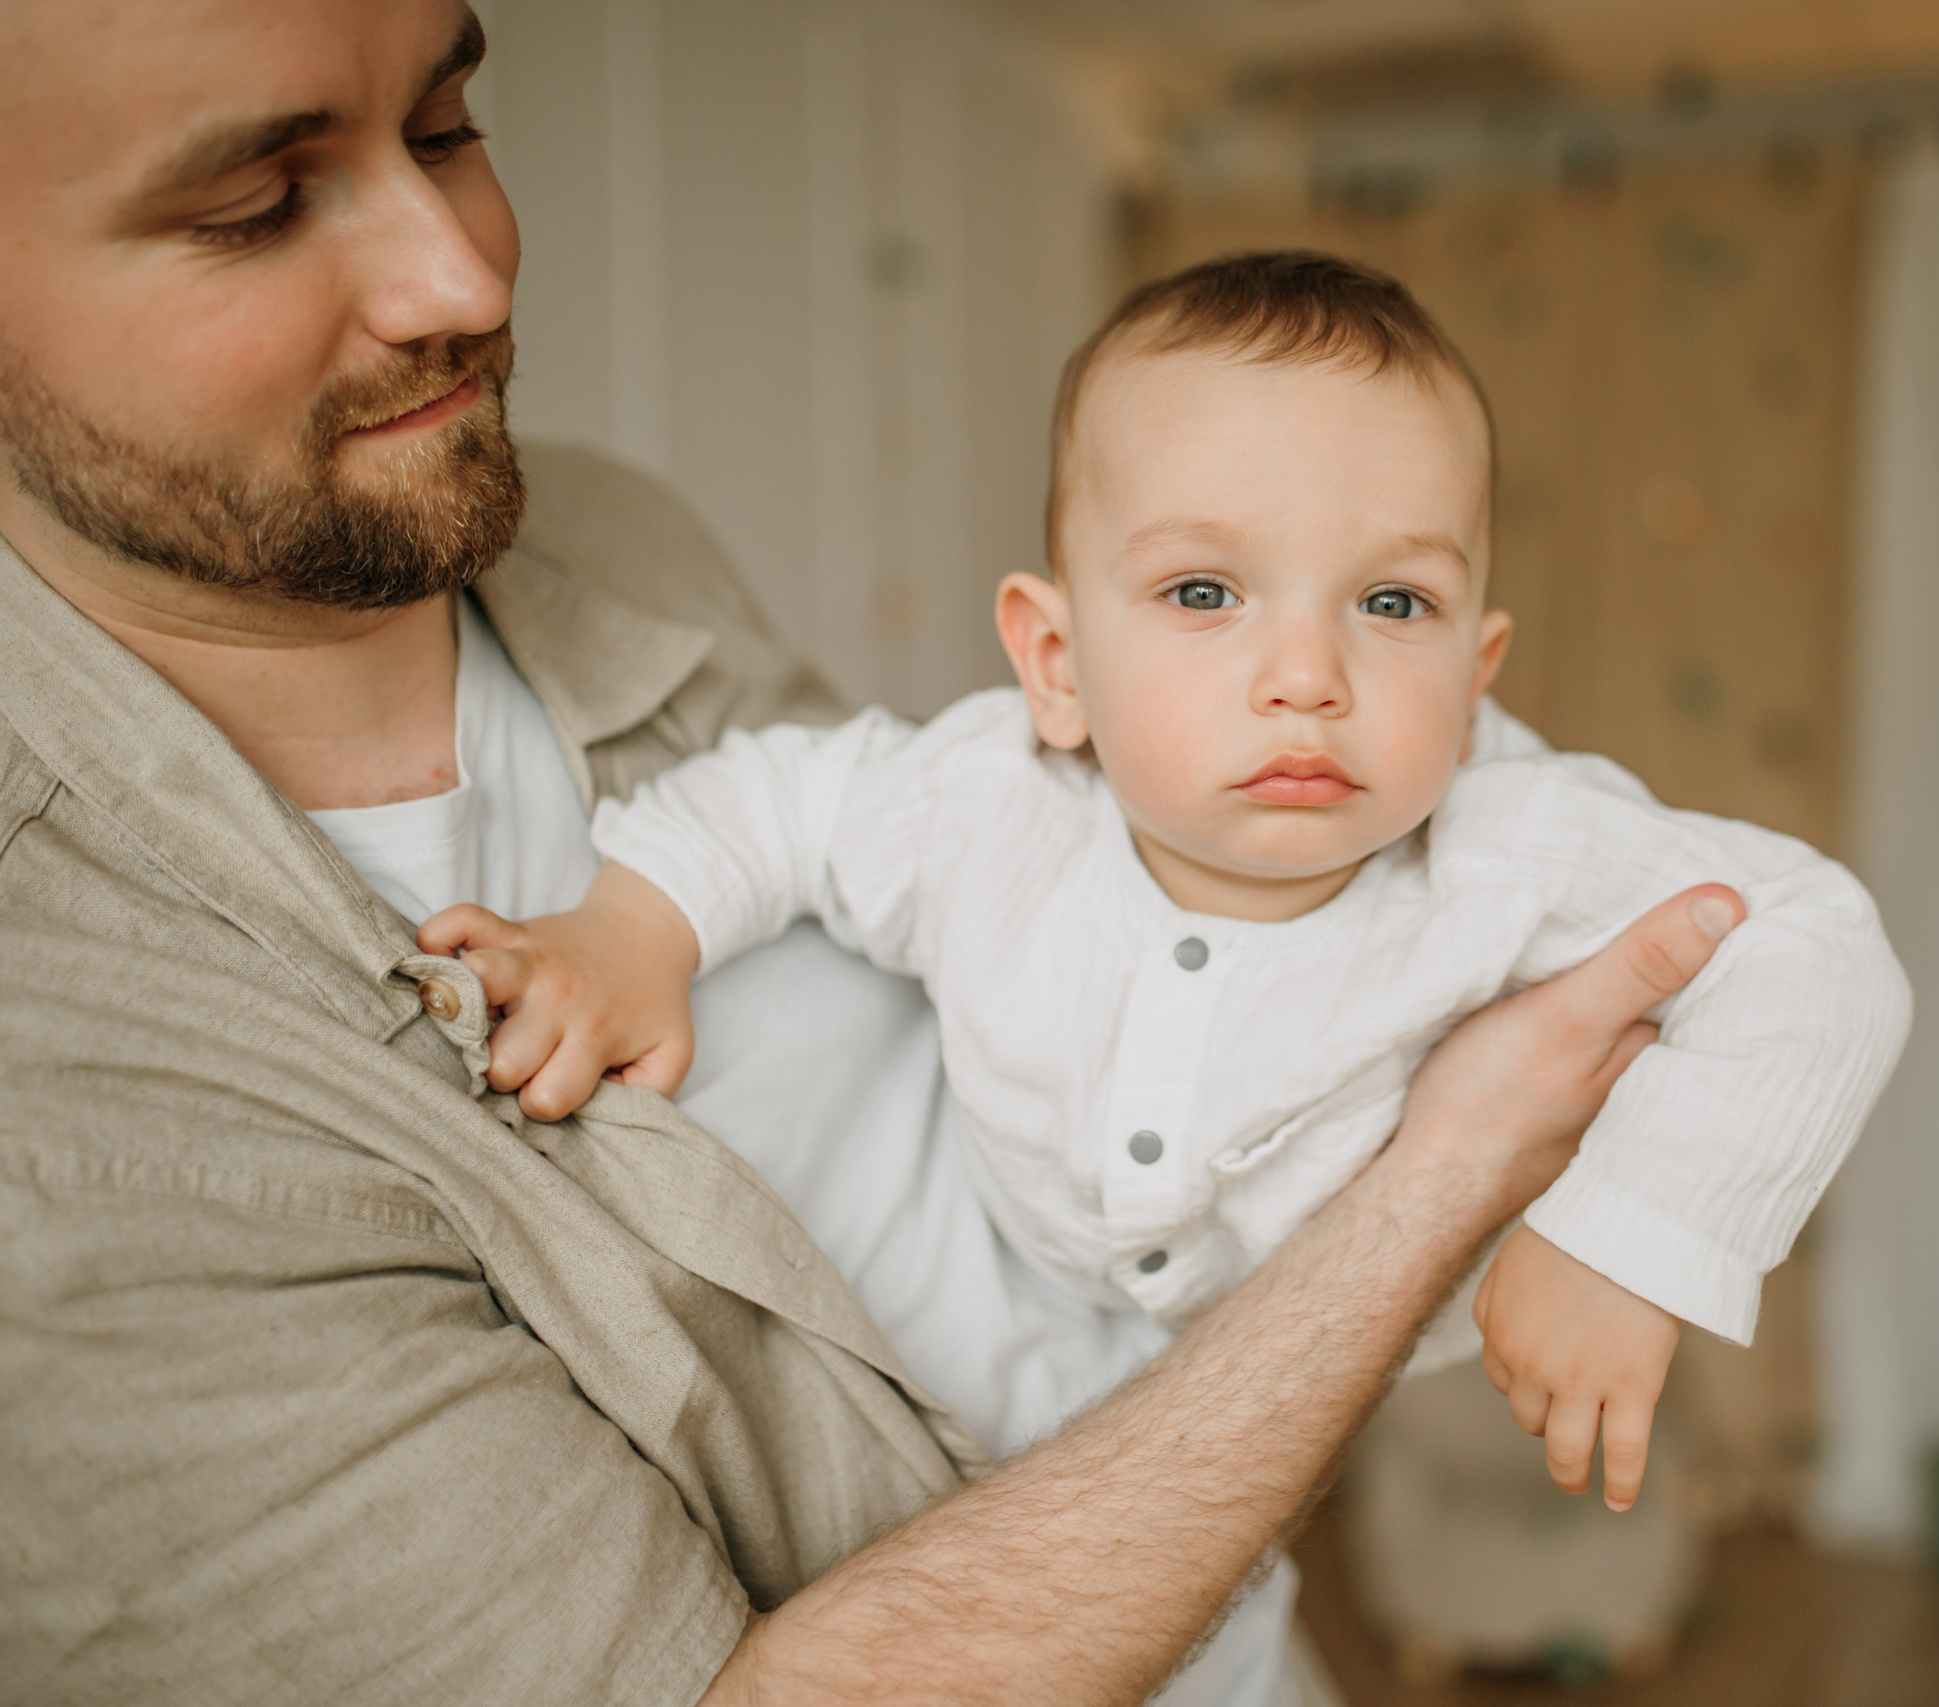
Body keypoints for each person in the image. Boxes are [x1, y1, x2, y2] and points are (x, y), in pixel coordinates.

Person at [0, 2, 1752, 1703]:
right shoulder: (64, 1129)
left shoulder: (616, 544)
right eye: (256, 205)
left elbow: (899, 864)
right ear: (1049, 649)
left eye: (449, 128)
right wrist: (1445, 1177)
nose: (462, 279)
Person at [427, 253, 1912, 1514]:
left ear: (1475, 679)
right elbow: (784, 797)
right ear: (1057, 662)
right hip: (1006, 1307)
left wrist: (1629, 1242)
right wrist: (629, 932)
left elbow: (1814, 943)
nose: (1308, 675)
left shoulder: (1513, 844)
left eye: (1395, 601)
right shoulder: (988, 801)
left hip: (1332, 1362)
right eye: (1206, 592)